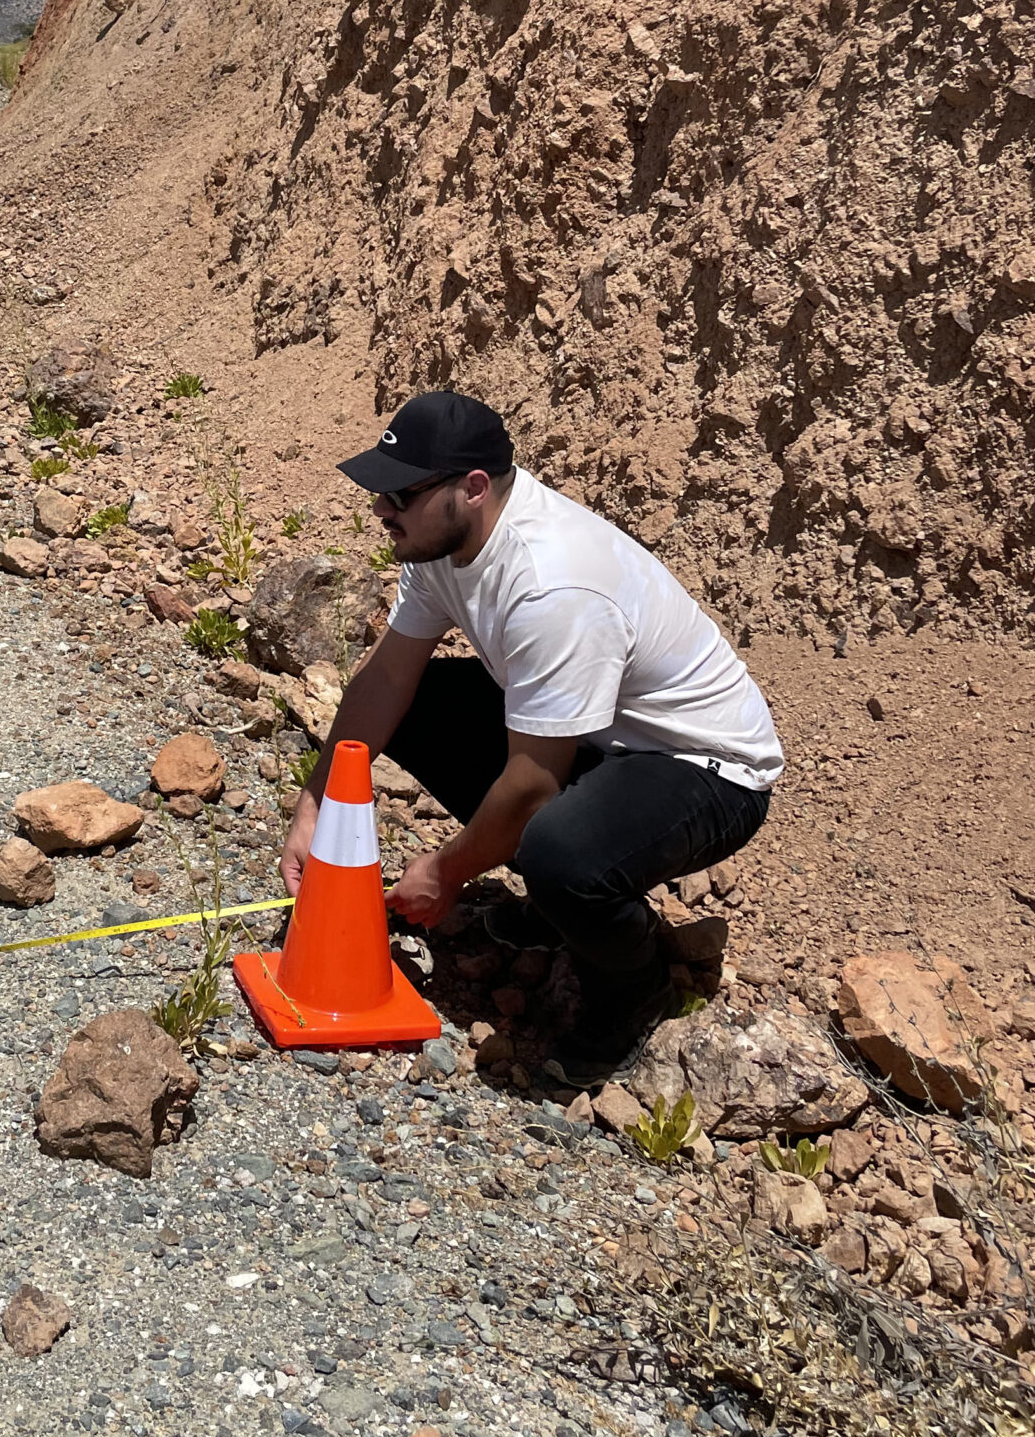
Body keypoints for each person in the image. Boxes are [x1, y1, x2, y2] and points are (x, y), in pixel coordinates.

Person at [279, 391, 783, 1083]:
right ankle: (563, 906)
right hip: (603, 740)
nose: (381, 511)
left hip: (708, 770)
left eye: (399, 495)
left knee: (557, 850)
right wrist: (315, 806)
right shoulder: (440, 540)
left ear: (472, 488)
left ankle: (636, 986)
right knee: (418, 702)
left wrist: (445, 872)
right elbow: (386, 678)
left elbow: (532, 784)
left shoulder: (552, 587)